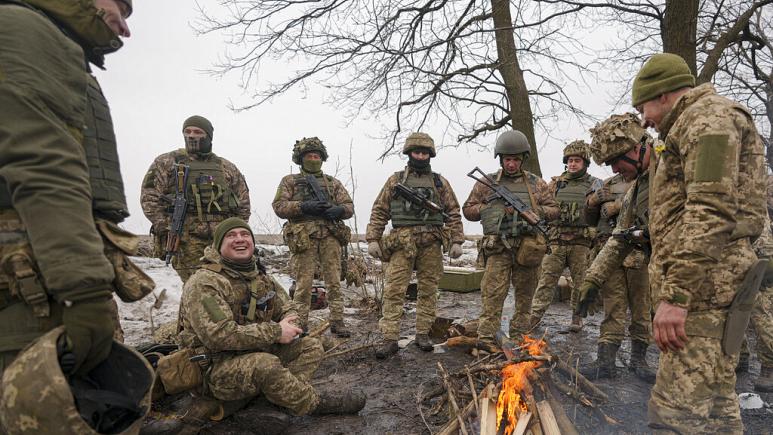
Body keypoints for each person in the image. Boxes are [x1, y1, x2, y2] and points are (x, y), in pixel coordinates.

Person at [0, 0, 153, 432]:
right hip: (32, 279)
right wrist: (84, 291)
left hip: (47, 264)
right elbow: (45, 166)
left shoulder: (45, 36)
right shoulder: (26, 29)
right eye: (118, 7)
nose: (124, 27)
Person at [633, 53, 766, 433]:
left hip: (703, 295)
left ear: (661, 95)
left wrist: (676, 296)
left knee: (675, 416)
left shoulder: (706, 120)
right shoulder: (698, 122)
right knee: (718, 413)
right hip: (709, 289)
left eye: (643, 106)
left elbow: (710, 209)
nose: (644, 119)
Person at [177, 218, 366, 418]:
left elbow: (287, 307)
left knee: (311, 347)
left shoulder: (258, 276)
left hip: (254, 351)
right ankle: (311, 404)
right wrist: (276, 332)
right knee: (266, 365)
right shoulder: (204, 283)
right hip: (215, 369)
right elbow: (219, 335)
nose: (240, 240)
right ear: (218, 245)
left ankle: (279, 397)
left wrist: (290, 321)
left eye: (245, 235)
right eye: (231, 236)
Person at [366, 132, 464, 357]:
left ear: (430, 155)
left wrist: (457, 240)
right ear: (409, 153)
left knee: (428, 290)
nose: (420, 156)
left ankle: (422, 333)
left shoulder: (439, 182)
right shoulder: (396, 180)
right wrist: (373, 238)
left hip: (431, 243)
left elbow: (453, 212)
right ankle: (390, 337)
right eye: (416, 152)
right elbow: (380, 209)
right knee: (394, 290)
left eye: (424, 153)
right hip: (402, 243)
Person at [576, 113, 655, 383]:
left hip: (654, 266)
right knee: (613, 309)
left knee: (642, 310)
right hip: (618, 258)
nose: (613, 170)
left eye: (615, 162)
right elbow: (619, 236)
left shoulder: (674, 172)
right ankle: (606, 362)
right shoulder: (636, 186)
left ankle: (639, 360)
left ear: (635, 148)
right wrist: (593, 279)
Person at [463, 130, 558, 346]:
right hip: (498, 249)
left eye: (516, 159)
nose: (512, 164)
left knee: (525, 299)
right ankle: (486, 340)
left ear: (523, 159)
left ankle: (519, 339)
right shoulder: (486, 183)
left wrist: (535, 212)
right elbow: (468, 210)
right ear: (501, 159)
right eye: (508, 159)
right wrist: (492, 209)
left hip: (527, 249)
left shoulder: (536, 184)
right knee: (492, 297)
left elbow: (554, 210)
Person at [141, 115, 251, 282]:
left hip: (221, 240)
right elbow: (149, 198)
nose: (192, 135)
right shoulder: (167, 162)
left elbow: (243, 203)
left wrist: (235, 234)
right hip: (186, 240)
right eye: (188, 131)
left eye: (198, 132)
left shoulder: (226, 167)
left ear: (208, 136)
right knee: (197, 287)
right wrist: (168, 227)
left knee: (229, 285)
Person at [272, 137, 354, 336]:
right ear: (301, 159)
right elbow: (279, 206)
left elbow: (349, 207)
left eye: (316, 156)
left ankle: (337, 320)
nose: (313, 159)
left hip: (329, 236)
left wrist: (338, 210)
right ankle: (300, 323)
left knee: (334, 281)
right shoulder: (289, 181)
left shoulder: (333, 183)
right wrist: (302, 207)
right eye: (309, 156)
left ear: (322, 158)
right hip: (304, 238)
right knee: (303, 284)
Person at [529, 140, 600, 332]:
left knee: (580, 283)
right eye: (569, 160)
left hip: (581, 242)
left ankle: (577, 318)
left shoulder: (595, 185)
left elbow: (601, 214)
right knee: (546, 281)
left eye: (577, 160)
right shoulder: (555, 184)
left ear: (585, 162)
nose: (573, 164)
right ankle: (535, 316)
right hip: (557, 240)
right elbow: (543, 208)